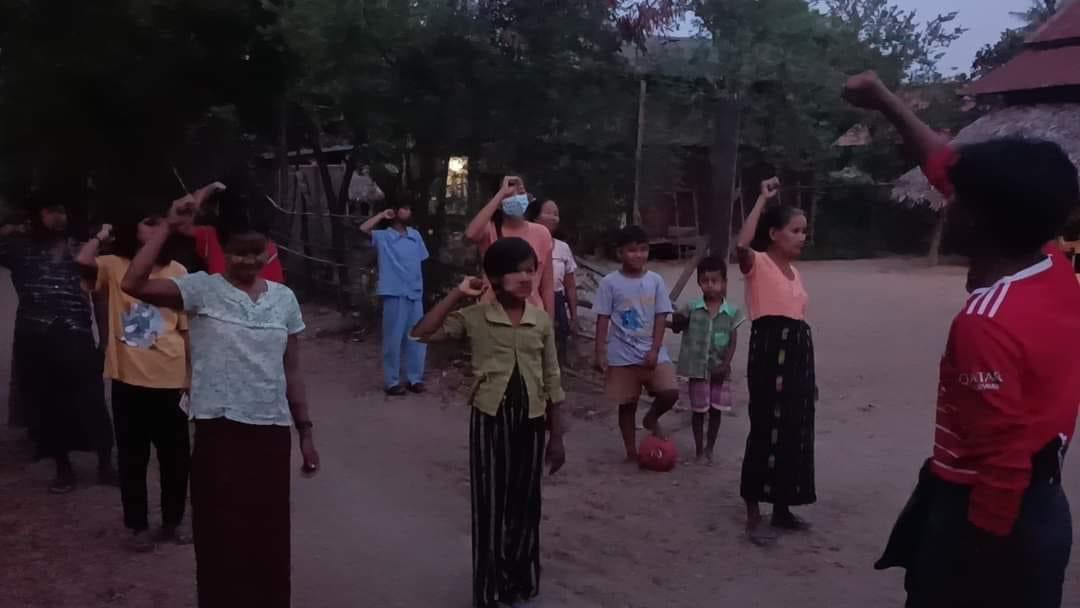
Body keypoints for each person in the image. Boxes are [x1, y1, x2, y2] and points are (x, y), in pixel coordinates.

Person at [846, 71, 1080, 608]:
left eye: (955, 199)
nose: (944, 196)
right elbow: (950, 167)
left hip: (992, 513)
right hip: (1043, 506)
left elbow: (1001, 464)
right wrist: (885, 100)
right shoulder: (1051, 265)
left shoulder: (985, 322)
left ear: (977, 218)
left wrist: (971, 564)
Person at [120, 190, 319, 608]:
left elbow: (292, 370)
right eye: (238, 252)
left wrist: (305, 431)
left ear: (270, 250)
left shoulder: (284, 300)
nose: (247, 260)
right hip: (219, 430)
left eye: (256, 252)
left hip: (270, 431)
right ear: (221, 249)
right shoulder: (200, 290)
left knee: (267, 536)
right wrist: (169, 228)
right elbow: (133, 283)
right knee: (221, 535)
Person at [412, 237, 565, 608]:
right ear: (494, 277)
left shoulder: (540, 321)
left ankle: (519, 581)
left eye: (532, 269)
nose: (527, 277)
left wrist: (556, 435)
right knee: (490, 504)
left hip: (530, 422)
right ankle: (490, 589)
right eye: (517, 270)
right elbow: (421, 332)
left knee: (525, 505)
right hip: (490, 419)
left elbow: (552, 380)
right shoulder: (476, 318)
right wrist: (457, 294)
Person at [75, 214, 191, 552]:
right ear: (132, 230)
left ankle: (172, 522)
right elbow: (82, 261)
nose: (155, 229)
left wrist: (191, 377)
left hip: (171, 378)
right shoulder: (113, 264)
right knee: (133, 458)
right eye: (147, 222)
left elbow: (186, 328)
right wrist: (102, 233)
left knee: (175, 459)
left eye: (160, 224)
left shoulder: (178, 271)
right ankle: (137, 527)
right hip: (128, 380)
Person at [0, 193, 114, 493]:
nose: (57, 216)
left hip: (76, 333)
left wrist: (104, 338)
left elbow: (100, 296)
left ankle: (105, 464)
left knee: (92, 401)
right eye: (50, 211)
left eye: (62, 210)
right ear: (37, 215)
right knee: (47, 404)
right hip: (35, 337)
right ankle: (63, 469)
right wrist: (11, 227)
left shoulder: (83, 249)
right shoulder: (18, 249)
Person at [734, 176, 815, 545]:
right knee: (767, 425)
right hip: (770, 352)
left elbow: (798, 320)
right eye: (795, 231)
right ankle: (754, 511)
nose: (801, 237)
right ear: (774, 234)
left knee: (795, 429)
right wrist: (761, 200)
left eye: (804, 231)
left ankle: (783, 507)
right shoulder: (759, 264)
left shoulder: (796, 273)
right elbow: (740, 243)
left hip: (797, 352)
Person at [594, 225, 679, 462]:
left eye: (643, 249)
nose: (639, 255)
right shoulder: (610, 283)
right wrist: (599, 352)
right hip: (621, 354)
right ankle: (631, 451)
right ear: (620, 253)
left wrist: (654, 349)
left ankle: (651, 418)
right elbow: (602, 317)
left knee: (670, 391)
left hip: (652, 352)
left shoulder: (655, 281)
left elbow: (662, 316)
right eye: (632, 250)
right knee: (627, 403)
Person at [671, 255, 745, 463]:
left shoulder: (731, 312)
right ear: (699, 283)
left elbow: (732, 340)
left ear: (724, 283)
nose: (710, 286)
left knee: (716, 411)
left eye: (715, 281)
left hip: (719, 371)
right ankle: (698, 450)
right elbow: (677, 328)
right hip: (696, 370)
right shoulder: (691, 308)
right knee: (698, 411)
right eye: (705, 281)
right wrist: (677, 320)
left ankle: (710, 448)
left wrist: (725, 364)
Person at [360, 201, 430, 396]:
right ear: (395, 211)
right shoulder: (383, 237)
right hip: (394, 293)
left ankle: (414, 379)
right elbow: (364, 228)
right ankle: (392, 381)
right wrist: (382, 214)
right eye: (403, 207)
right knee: (393, 338)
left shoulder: (415, 236)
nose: (407, 211)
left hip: (414, 292)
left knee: (417, 337)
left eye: (409, 208)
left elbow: (421, 261)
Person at [464, 175, 555, 317]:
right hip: (492, 313)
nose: (517, 198)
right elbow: (470, 234)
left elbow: (547, 285)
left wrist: (549, 322)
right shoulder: (489, 230)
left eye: (520, 193)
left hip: (532, 315)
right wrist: (501, 194)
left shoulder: (542, 233)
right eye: (509, 195)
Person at [169, 181, 286, 282]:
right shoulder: (209, 236)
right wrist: (201, 196)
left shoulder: (263, 246)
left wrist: (201, 196)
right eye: (240, 252)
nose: (249, 260)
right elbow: (180, 227)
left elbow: (277, 291)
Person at [529, 198, 578, 361]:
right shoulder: (524, 243)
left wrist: (574, 316)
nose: (553, 217)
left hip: (556, 301)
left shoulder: (563, 248)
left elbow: (570, 286)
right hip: (530, 299)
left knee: (556, 344)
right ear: (535, 217)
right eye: (548, 212)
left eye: (556, 214)